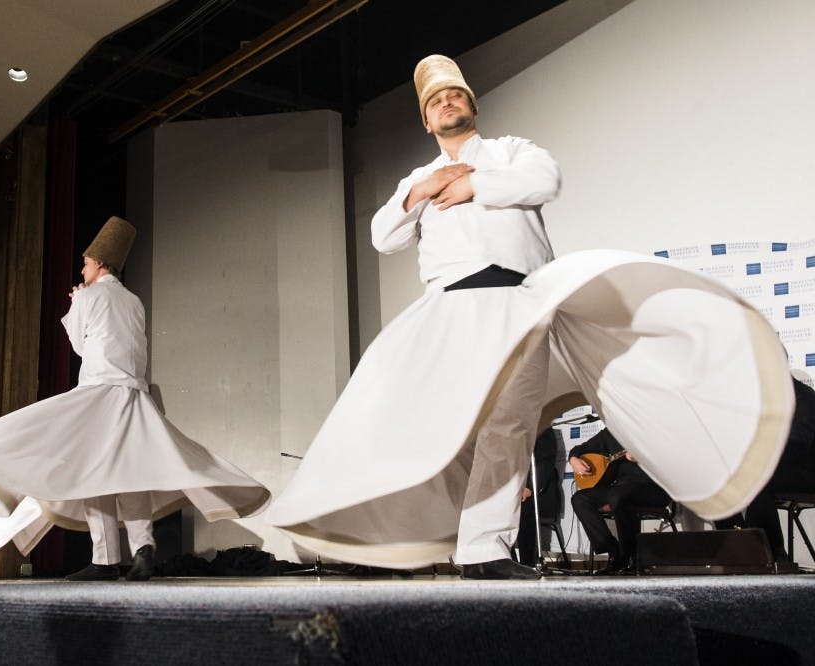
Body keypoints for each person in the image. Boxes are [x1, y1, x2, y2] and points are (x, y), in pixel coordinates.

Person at [266, 54, 793, 580]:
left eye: (454, 95)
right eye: (435, 102)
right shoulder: (419, 177)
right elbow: (384, 236)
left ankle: (483, 551)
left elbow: (545, 180)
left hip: (520, 302)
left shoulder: (510, 152)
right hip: (452, 307)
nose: (446, 103)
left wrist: (475, 186)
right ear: (427, 121)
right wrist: (422, 191)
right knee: (434, 424)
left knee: (509, 428)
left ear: (472, 106)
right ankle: (396, 534)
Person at [0, 216, 271, 580]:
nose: (81, 269)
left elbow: (80, 345)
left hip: (99, 393)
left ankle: (104, 558)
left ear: (99, 264)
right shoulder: (133, 301)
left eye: (84, 264)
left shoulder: (91, 294)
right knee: (129, 471)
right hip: (133, 394)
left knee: (94, 473)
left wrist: (77, 302)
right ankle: (143, 548)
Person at [715, 376, 815, 563]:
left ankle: (770, 551)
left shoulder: (804, 396)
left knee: (760, 477)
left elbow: (799, 444)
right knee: (720, 479)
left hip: (806, 472)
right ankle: (734, 545)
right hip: (780, 467)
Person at [569, 427, 670, 575]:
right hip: (621, 487)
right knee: (580, 499)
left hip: (654, 486)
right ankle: (614, 552)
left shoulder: (651, 428)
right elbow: (580, 449)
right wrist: (573, 459)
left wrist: (644, 457)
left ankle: (631, 556)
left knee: (618, 496)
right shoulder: (611, 432)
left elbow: (670, 456)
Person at [516, 427, 561, 567]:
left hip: (539, 493)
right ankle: (504, 560)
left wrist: (529, 487)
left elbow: (545, 464)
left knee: (523, 507)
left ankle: (527, 564)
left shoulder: (543, 428)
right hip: (514, 491)